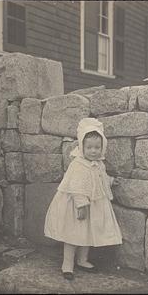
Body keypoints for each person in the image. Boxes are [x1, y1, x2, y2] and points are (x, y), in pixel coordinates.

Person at [44, 118, 122, 280]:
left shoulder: (99, 164)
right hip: (77, 206)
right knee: (73, 234)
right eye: (89, 148)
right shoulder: (78, 165)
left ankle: (82, 260)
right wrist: (81, 205)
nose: (93, 151)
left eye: (97, 147)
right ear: (82, 147)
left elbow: (101, 178)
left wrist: (111, 181)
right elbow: (76, 186)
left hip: (95, 204)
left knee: (87, 233)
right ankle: (67, 264)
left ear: (102, 147)